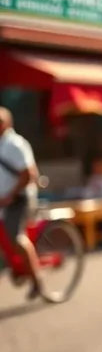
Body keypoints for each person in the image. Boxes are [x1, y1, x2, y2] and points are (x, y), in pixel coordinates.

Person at [0, 106, 42, 293]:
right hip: (3, 200)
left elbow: (28, 174)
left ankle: (37, 279)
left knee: (16, 237)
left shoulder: (15, 144)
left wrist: (11, 195)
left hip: (19, 199)